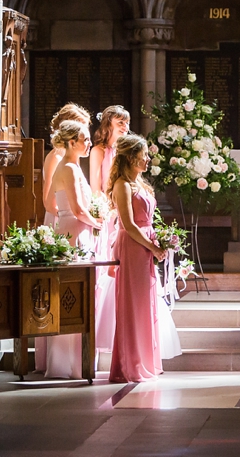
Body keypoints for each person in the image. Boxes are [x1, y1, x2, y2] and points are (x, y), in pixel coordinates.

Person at [45, 120, 102, 379]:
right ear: (71, 143)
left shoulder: (76, 167)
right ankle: (67, 364)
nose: (89, 143)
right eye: (85, 139)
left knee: (83, 296)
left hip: (81, 231)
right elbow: (78, 210)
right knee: (72, 297)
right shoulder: (67, 168)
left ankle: (81, 360)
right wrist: (99, 222)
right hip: (72, 234)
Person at [108, 134, 167, 383]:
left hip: (144, 245)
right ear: (132, 157)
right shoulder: (122, 185)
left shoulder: (140, 183)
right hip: (133, 247)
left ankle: (145, 360)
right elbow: (129, 225)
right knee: (132, 305)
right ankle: (129, 364)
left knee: (145, 304)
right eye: (144, 154)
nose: (147, 158)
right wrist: (152, 248)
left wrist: (160, 241)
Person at [88, 106, 131, 353]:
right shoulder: (99, 151)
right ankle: (104, 324)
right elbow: (96, 186)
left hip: (123, 211)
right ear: (108, 124)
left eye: (126, 123)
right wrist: (106, 209)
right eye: (120, 122)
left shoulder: (125, 151)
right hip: (108, 213)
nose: (124, 127)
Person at [42, 103, 91, 226]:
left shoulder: (73, 157)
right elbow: (48, 202)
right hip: (60, 219)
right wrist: (70, 219)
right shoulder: (56, 157)